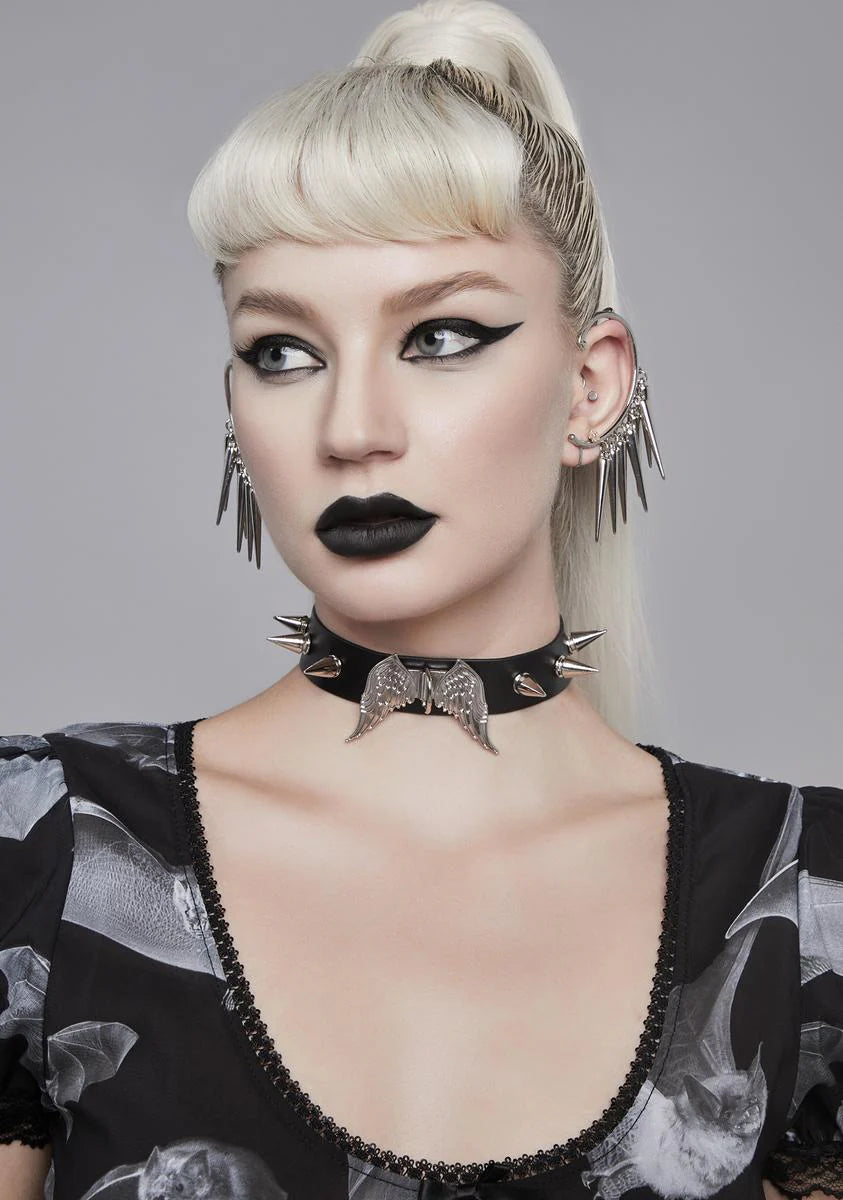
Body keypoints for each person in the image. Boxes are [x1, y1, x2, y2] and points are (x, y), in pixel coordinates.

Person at [1, 2, 840, 1198]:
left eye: (442, 335)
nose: (352, 428)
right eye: (283, 351)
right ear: (234, 402)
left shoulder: (807, 906)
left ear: (592, 387)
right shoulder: (42, 852)